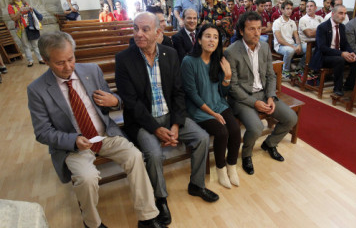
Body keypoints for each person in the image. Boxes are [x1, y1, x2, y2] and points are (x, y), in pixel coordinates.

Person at [27, 31, 165, 228]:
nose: (68, 67)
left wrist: (115, 100)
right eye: (60, 63)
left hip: (105, 134)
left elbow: (113, 100)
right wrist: (73, 140)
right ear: (45, 60)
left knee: (135, 156)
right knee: (86, 177)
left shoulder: (91, 70)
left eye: (71, 59)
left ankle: (147, 216)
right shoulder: (37, 89)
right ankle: (92, 223)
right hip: (74, 145)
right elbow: (42, 132)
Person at [115, 12, 220, 225]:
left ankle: (196, 184)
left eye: (145, 29)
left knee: (201, 137)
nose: (139, 33)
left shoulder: (170, 54)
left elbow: (178, 92)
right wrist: (156, 129)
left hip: (170, 116)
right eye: (135, 28)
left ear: (158, 32)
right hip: (143, 122)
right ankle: (160, 198)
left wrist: (175, 124)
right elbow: (132, 102)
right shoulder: (124, 59)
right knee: (153, 154)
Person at [224, 11, 298, 175]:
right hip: (242, 99)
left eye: (259, 28)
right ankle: (246, 154)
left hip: (264, 94)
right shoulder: (232, 51)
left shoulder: (264, 46)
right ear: (242, 31)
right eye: (251, 29)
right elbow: (233, 87)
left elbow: (270, 75)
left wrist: (271, 97)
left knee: (291, 118)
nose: (257, 33)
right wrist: (255, 103)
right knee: (257, 127)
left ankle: (270, 143)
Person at [181, 23, 241, 188]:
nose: (212, 40)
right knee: (222, 132)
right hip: (199, 109)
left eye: (215, 37)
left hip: (218, 104)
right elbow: (192, 95)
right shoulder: (189, 61)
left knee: (235, 131)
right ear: (199, 40)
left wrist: (227, 76)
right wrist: (213, 114)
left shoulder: (218, 59)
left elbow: (222, 91)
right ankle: (220, 169)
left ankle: (232, 166)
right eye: (207, 36)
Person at [309, 5, 356, 96]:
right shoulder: (322, 27)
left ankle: (349, 85)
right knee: (340, 60)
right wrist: (341, 53)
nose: (343, 16)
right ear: (333, 14)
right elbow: (322, 48)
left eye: (345, 14)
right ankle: (338, 88)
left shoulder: (342, 27)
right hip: (324, 57)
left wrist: (351, 52)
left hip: (338, 54)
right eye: (340, 13)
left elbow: (345, 44)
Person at [8, 0, 45, 67]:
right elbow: (13, 19)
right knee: (26, 45)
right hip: (20, 28)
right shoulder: (10, 6)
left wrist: (31, 10)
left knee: (35, 43)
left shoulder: (25, 4)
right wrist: (19, 12)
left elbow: (30, 14)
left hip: (30, 26)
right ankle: (30, 60)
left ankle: (40, 59)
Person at [273, 0, 305, 78]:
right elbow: (280, 40)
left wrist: (299, 45)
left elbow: (296, 36)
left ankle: (300, 67)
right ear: (282, 10)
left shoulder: (292, 22)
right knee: (290, 50)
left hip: (291, 44)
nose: (290, 11)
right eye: (287, 8)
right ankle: (285, 71)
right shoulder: (277, 22)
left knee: (309, 48)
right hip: (280, 46)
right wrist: (294, 47)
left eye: (291, 9)